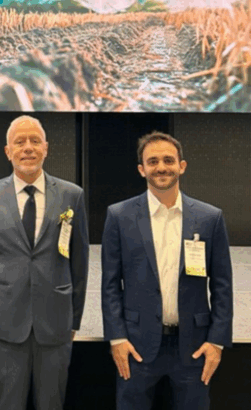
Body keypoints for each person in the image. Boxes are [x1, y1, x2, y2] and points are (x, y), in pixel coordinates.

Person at [101, 131, 233, 410]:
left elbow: (222, 285)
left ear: (181, 166)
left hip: (194, 348)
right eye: (153, 161)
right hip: (136, 347)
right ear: (142, 169)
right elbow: (110, 284)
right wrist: (117, 338)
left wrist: (217, 342)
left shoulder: (210, 218)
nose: (161, 167)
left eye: (168, 160)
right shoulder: (119, 216)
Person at [0, 115, 89, 410]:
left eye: (35, 141)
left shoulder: (72, 196)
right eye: (19, 142)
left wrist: (73, 319)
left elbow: (80, 264)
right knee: (8, 404)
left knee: (52, 404)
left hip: (56, 324)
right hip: (4, 327)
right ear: (8, 151)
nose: (28, 147)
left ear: (46, 148)